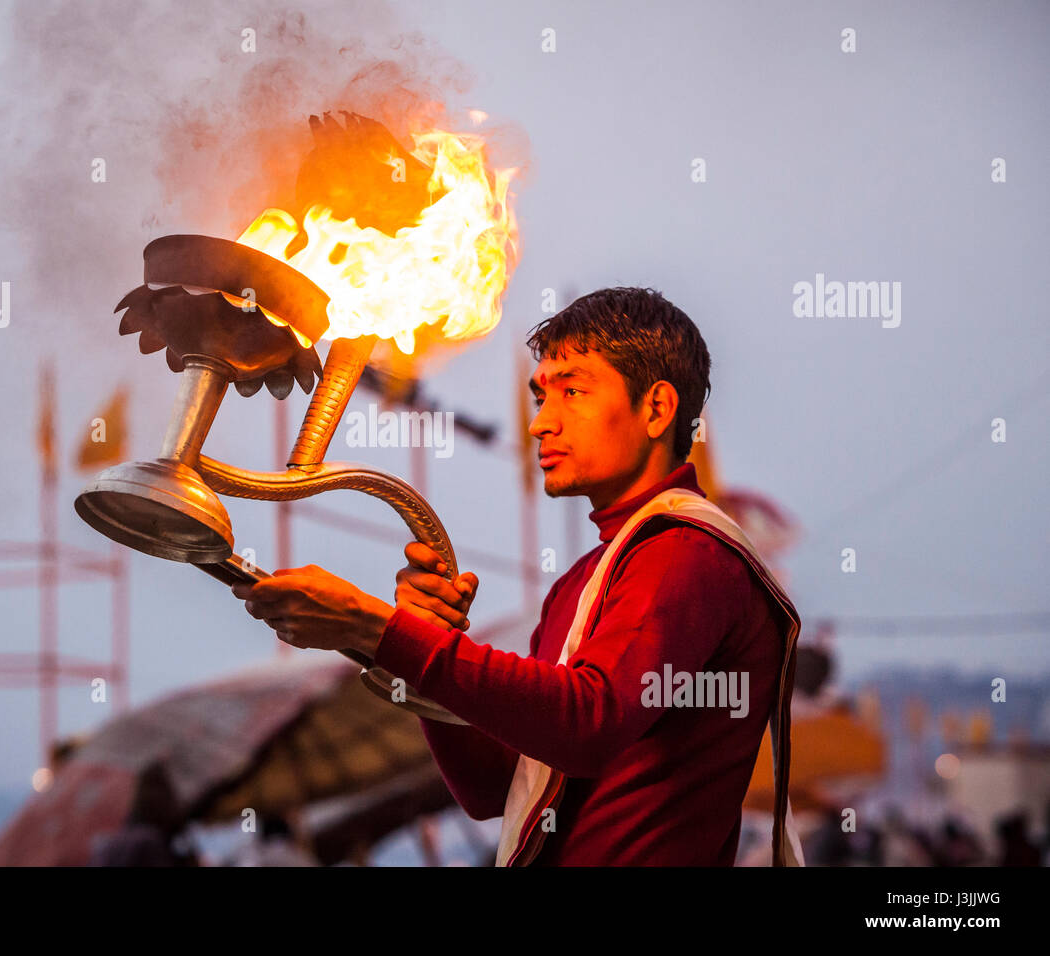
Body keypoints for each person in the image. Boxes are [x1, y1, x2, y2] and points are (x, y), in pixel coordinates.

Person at [232, 287, 803, 866]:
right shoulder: (579, 582)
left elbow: (589, 721)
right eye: (539, 398)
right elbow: (493, 790)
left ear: (656, 408)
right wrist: (417, 636)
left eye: (573, 392)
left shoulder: (687, 549)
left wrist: (378, 629)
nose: (540, 425)